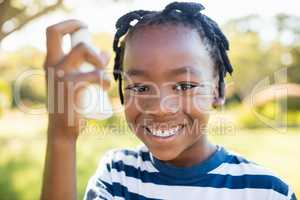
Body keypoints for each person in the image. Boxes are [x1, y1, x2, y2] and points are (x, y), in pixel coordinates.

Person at [41, 2, 297, 200]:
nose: (160, 107)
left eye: (184, 85)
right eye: (140, 87)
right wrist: (61, 137)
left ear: (218, 91)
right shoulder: (117, 175)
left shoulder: (265, 190)